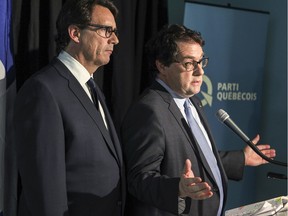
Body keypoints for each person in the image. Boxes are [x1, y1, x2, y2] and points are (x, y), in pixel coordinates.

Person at [120, 24, 276, 216]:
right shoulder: (148, 111)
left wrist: (241, 158)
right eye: (189, 63)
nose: (200, 71)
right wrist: (178, 188)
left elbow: (199, 155)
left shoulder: (192, 100)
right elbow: (139, 179)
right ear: (162, 65)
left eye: (201, 61)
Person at [13, 0, 125, 215]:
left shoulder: (91, 88)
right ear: (75, 33)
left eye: (115, 31)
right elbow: (44, 189)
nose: (115, 39)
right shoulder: (43, 90)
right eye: (106, 30)